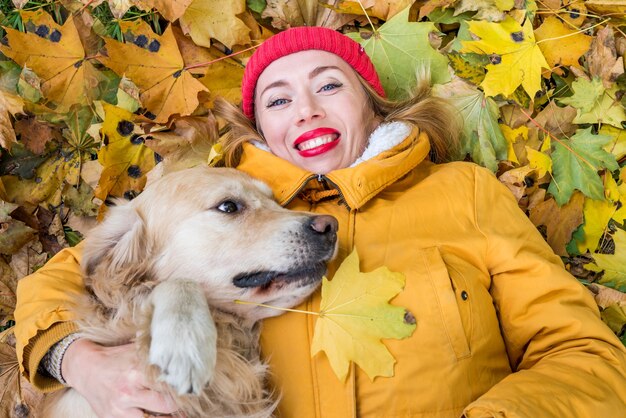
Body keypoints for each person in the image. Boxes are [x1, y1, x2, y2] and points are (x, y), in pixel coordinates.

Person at [14, 26, 626, 418]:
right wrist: (83, 363)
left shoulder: (461, 192)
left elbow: (586, 357)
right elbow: (66, 283)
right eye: (278, 100)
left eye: (328, 85)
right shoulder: (196, 198)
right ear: (261, 131)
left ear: (373, 103)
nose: (304, 108)